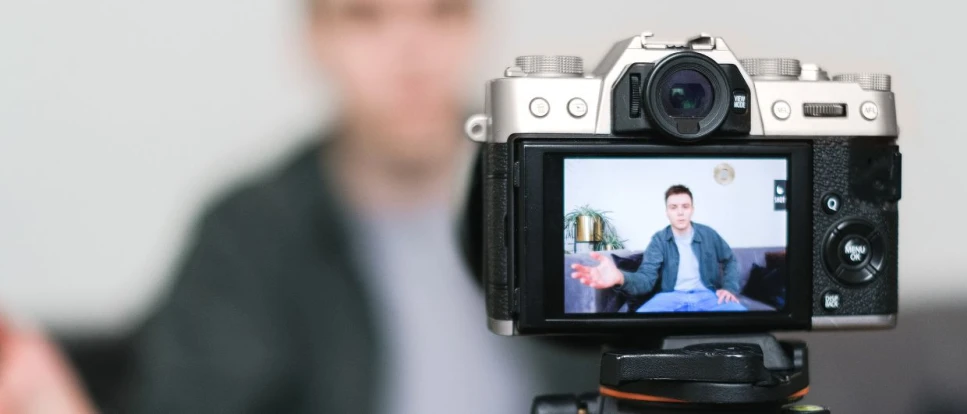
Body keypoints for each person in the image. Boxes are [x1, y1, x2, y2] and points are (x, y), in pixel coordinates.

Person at [0, 0, 599, 413]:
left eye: (442, 11)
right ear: (315, 40)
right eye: (366, 17)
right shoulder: (249, 236)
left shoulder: (570, 201)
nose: (412, 53)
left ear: (476, 27)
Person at [570, 185, 746, 312]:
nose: (680, 212)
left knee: (741, 317)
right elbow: (646, 279)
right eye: (673, 207)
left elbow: (730, 259)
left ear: (692, 209)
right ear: (667, 212)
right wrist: (620, 277)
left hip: (708, 295)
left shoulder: (709, 234)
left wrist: (729, 288)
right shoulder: (659, 240)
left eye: (685, 206)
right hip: (670, 296)